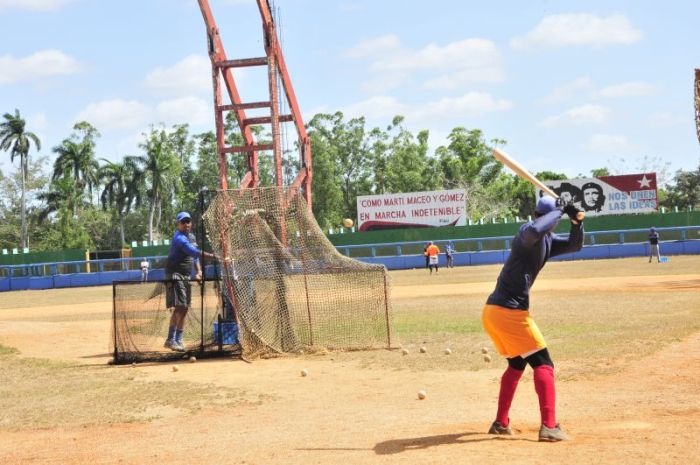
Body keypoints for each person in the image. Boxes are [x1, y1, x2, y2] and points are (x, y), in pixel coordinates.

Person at [481, 196, 584, 442]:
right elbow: (537, 228)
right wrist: (560, 209)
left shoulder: (547, 240)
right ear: (544, 216)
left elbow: (574, 245)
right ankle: (549, 427)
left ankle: (500, 423)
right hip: (509, 312)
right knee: (544, 364)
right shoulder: (527, 232)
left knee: (517, 365)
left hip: (496, 312)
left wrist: (576, 222)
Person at [164, 211, 217, 352]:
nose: (186, 224)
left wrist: (199, 271)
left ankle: (179, 340)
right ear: (178, 224)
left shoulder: (191, 237)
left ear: (191, 223)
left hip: (186, 275)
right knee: (179, 306)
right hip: (175, 274)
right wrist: (214, 257)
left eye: (188, 221)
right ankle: (170, 340)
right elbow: (195, 252)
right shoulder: (179, 238)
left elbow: (194, 258)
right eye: (183, 222)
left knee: (185, 307)